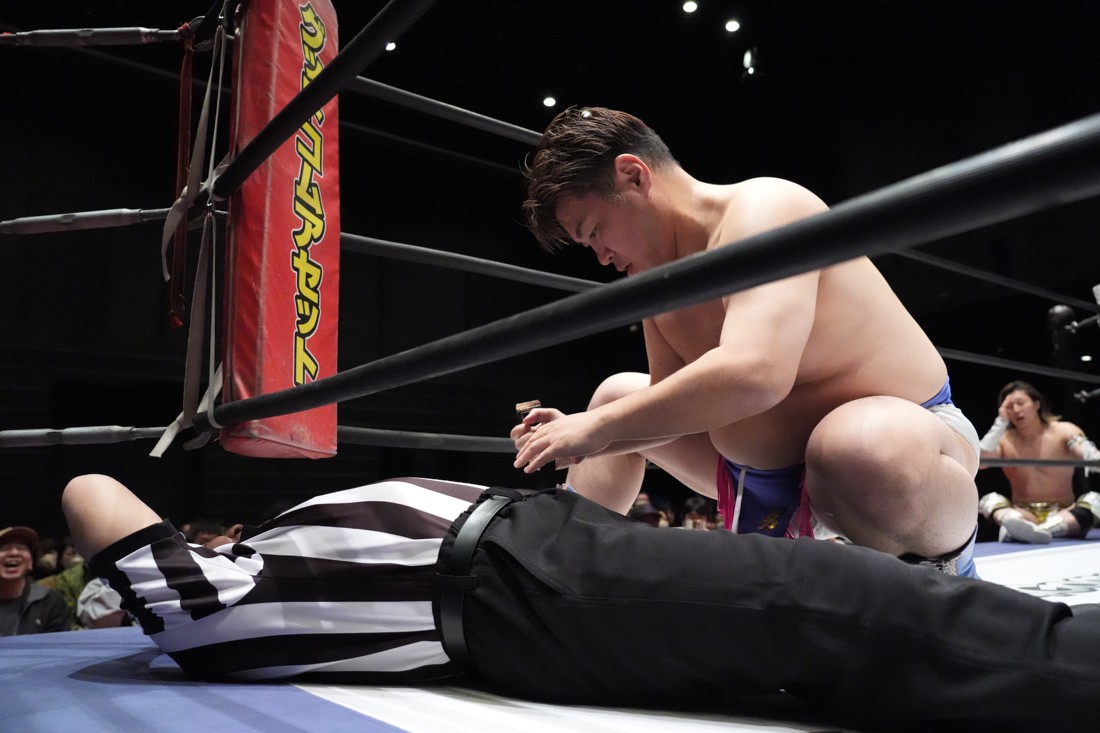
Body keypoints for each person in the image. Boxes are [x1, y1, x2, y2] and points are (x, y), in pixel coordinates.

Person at [62, 472, 1100, 732]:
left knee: (818, 623)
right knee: (829, 600)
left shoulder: (264, 563)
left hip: (537, 552)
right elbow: (90, 490)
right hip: (517, 587)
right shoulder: (212, 612)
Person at [512, 106, 982, 575]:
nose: (601, 257)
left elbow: (757, 374)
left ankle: (947, 577)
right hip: (756, 483)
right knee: (614, 396)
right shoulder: (656, 282)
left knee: (860, 445)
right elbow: (668, 411)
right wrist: (578, 437)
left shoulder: (766, 208)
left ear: (634, 175)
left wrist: (596, 428)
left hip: (904, 451)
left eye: (595, 231)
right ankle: (557, 577)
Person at [977, 380, 1100, 543]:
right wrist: (1000, 422)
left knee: (1095, 500)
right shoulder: (1004, 440)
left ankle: (1043, 531)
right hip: (1023, 515)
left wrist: (1094, 457)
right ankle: (1021, 528)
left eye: (1020, 403)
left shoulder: (1064, 431)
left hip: (1065, 514)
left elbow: (1091, 456)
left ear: (1036, 404)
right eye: (1009, 406)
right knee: (989, 500)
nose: (1016, 410)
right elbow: (980, 460)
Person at [0, 526, 73, 636]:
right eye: (4, 548)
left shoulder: (50, 602)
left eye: (22, 548)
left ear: (30, 562)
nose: (14, 553)